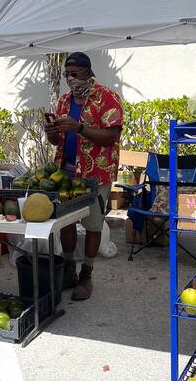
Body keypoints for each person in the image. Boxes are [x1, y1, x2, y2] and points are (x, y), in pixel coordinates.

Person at [44, 52, 124, 300]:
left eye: (75, 74)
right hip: (66, 171)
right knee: (66, 222)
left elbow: (112, 136)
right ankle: (69, 270)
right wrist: (51, 132)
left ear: (88, 72)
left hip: (95, 174)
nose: (71, 79)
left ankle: (86, 275)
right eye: (68, 74)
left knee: (92, 224)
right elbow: (57, 140)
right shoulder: (64, 101)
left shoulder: (107, 97)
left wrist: (79, 128)